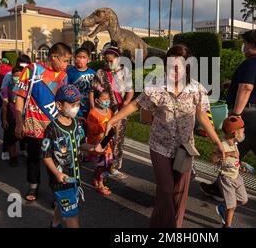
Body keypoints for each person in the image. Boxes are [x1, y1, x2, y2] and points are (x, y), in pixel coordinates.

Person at [105, 44, 225, 228]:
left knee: (179, 192)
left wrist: (217, 141)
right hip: (159, 145)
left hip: (184, 148)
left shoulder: (196, 89)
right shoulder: (157, 87)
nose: (173, 72)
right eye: (169, 67)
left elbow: (202, 115)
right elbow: (136, 105)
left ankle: (165, 223)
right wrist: (113, 120)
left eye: (177, 67)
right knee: (166, 189)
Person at [200, 30, 256, 213]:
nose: (244, 46)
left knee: (231, 151)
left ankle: (218, 189)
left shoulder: (250, 63)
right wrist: (231, 84)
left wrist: (236, 115)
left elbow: (247, 88)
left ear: (253, 44)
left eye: (245, 42)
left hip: (250, 115)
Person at [15, 43, 71, 202]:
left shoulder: (63, 76)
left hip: (54, 127)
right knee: (34, 158)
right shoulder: (31, 70)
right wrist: (19, 123)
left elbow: (63, 101)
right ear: (54, 57)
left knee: (55, 160)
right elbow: (20, 97)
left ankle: (56, 191)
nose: (66, 65)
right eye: (65, 60)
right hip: (34, 126)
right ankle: (33, 185)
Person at [42, 85, 101, 228]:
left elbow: (81, 144)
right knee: (72, 217)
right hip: (61, 181)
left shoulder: (77, 123)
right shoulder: (51, 129)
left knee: (64, 205)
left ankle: (55, 224)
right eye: (72, 104)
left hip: (75, 177)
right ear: (59, 105)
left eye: (78, 104)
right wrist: (56, 173)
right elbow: (45, 155)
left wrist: (93, 148)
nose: (76, 107)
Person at [91, 44, 134, 179]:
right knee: (104, 137)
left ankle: (114, 166)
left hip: (120, 111)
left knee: (118, 138)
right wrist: (94, 107)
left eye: (111, 61)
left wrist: (126, 103)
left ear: (118, 59)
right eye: (107, 61)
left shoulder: (125, 72)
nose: (109, 63)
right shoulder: (100, 73)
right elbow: (93, 91)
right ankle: (101, 165)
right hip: (104, 110)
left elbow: (130, 90)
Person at [212, 116, 248, 228]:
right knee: (231, 207)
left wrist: (240, 166)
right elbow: (212, 159)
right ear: (234, 133)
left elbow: (233, 160)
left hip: (236, 177)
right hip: (226, 179)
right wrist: (228, 154)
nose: (244, 132)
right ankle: (227, 226)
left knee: (243, 200)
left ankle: (223, 208)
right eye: (242, 130)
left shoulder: (235, 143)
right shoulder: (223, 145)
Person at [1, 54, 31, 160]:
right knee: (10, 134)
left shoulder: (30, 74)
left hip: (25, 113)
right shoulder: (9, 76)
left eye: (26, 64)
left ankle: (23, 150)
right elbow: (4, 91)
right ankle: (6, 151)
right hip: (11, 110)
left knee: (25, 135)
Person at [87, 89, 114, 196]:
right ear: (97, 101)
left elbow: (113, 124)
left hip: (108, 145)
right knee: (101, 166)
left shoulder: (110, 111)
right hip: (97, 145)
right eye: (104, 99)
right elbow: (91, 128)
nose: (107, 101)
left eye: (108, 99)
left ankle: (98, 180)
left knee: (105, 165)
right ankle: (100, 185)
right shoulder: (93, 113)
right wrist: (105, 125)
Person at [1, 66, 23, 166]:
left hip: (24, 118)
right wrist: (4, 119)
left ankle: (26, 153)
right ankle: (13, 157)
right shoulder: (7, 89)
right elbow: (5, 106)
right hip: (11, 117)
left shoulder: (26, 89)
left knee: (25, 138)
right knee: (11, 139)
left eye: (19, 76)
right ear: (12, 76)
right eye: (15, 76)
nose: (17, 78)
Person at [67, 48, 96, 122]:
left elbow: (97, 89)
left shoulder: (93, 73)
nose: (81, 59)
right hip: (76, 109)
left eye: (84, 57)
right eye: (79, 57)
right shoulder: (69, 73)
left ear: (88, 59)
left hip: (91, 107)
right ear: (74, 58)